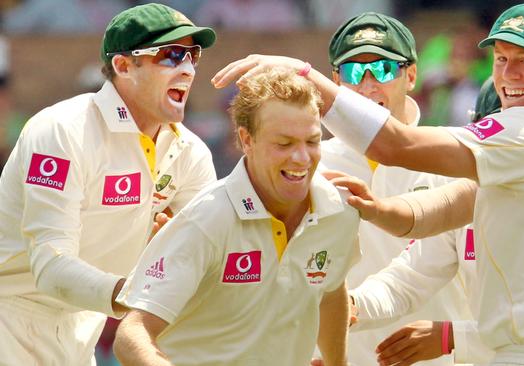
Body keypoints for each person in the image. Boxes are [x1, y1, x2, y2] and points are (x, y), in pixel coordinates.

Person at [212, 3, 524, 364]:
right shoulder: (523, 152)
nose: (509, 73)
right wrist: (370, 220)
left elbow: (396, 145)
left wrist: (301, 74)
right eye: (502, 58)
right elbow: (427, 228)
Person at [0, 3, 217, 364]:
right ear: (123, 66)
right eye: (171, 55)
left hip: (84, 323)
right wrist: (140, 294)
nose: (188, 69)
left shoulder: (189, 151)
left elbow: (214, 259)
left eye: (193, 56)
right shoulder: (62, 130)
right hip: (9, 314)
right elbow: (51, 266)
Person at [113, 67, 361, 366]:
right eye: (284, 144)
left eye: (311, 141)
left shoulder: (339, 211)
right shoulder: (206, 218)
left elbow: (331, 290)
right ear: (247, 140)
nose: (301, 158)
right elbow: (132, 332)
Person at [317, 12, 473, 366]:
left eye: (384, 70)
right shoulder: (310, 164)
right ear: (334, 82)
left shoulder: (453, 157)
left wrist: (457, 338)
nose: (368, 85)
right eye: (354, 72)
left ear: (412, 75)